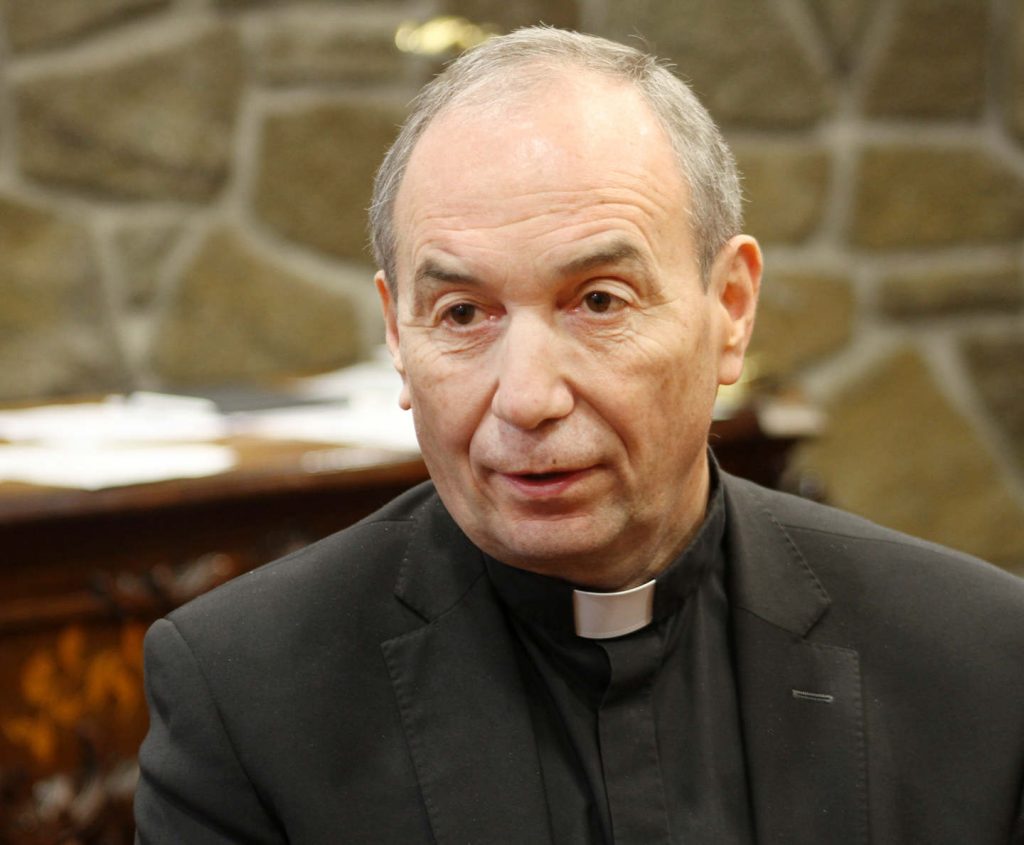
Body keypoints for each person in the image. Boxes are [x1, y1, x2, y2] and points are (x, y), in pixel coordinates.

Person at [134, 27, 1024, 845]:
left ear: (730, 309)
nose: (527, 398)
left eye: (598, 300)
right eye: (463, 312)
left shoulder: (981, 661)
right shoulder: (245, 699)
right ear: (398, 337)